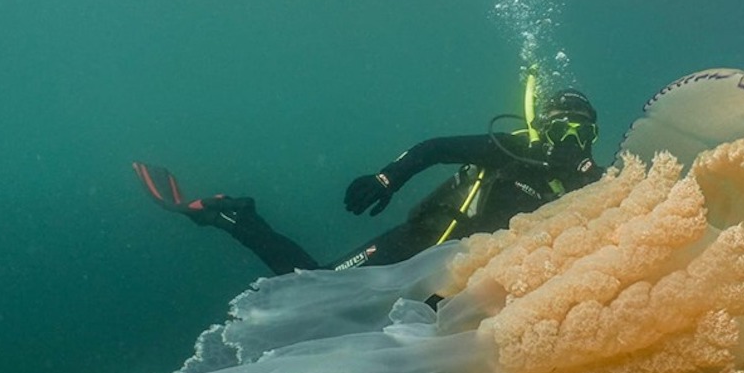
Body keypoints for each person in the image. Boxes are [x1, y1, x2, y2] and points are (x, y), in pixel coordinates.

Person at [133, 85, 603, 275]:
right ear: (544, 127)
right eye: (561, 129)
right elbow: (436, 147)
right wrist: (387, 178)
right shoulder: (515, 148)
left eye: (583, 134)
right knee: (316, 289)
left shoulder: (593, 184)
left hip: (468, 280)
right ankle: (236, 217)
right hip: (421, 242)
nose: (571, 142)